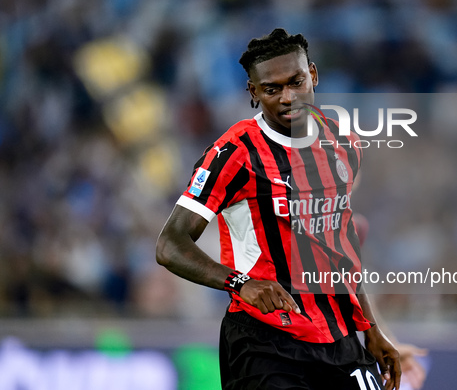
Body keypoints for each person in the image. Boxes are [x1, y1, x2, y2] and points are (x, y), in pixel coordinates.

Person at [156, 28, 426, 390]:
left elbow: (340, 245)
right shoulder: (234, 153)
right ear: (253, 92)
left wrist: (372, 330)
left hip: (340, 337)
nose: (288, 97)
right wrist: (240, 283)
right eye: (272, 89)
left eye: (296, 81)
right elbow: (170, 244)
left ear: (312, 75)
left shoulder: (342, 143)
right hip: (265, 343)